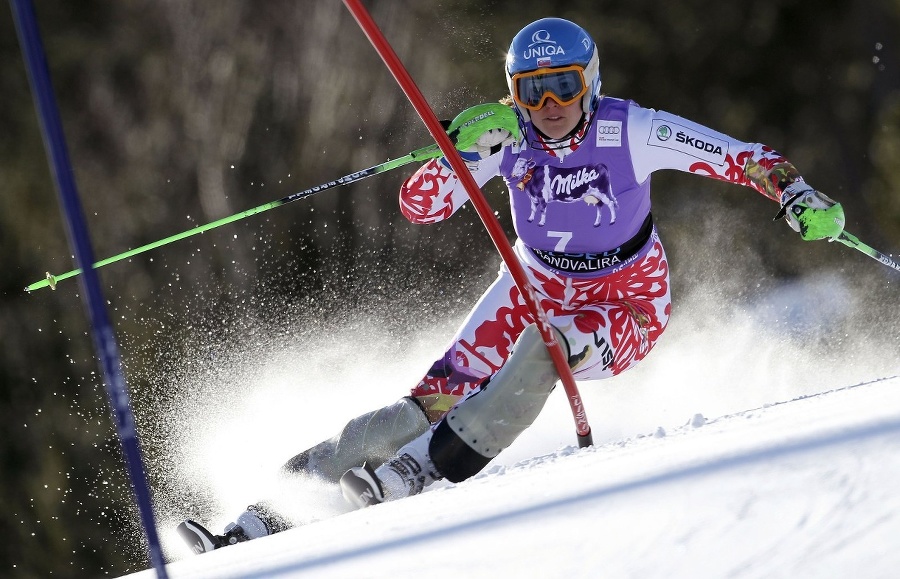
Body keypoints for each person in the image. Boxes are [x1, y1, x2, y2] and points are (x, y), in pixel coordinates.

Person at [178, 17, 845, 552]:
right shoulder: (503, 136)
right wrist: (461, 153)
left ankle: (423, 469)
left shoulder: (630, 129)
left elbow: (742, 157)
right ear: (514, 91)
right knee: (419, 405)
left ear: (591, 83)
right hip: (532, 285)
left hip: (627, 302)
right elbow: (420, 207)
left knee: (551, 345)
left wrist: (796, 194)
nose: (550, 105)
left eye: (564, 86)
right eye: (532, 90)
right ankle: (259, 519)